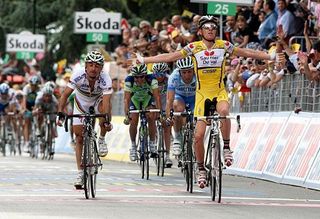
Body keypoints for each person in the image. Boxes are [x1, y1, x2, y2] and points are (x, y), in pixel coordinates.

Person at [135, 15, 274, 189]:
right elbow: (171, 56)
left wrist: (269, 56)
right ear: (200, 31)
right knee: (198, 136)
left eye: (213, 27)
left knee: (223, 112)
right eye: (207, 27)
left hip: (219, 91)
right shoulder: (194, 47)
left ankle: (226, 148)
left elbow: (246, 52)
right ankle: (201, 169)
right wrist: (145, 60)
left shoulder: (223, 45)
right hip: (201, 95)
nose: (211, 30)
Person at [56, 50, 113, 189]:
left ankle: (101, 139)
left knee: (104, 110)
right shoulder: (78, 74)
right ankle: (80, 172)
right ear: (86, 66)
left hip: (98, 100)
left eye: (97, 66)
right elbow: (64, 96)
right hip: (81, 103)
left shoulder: (106, 78)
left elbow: (106, 103)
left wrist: (106, 120)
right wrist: (60, 113)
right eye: (91, 65)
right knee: (79, 137)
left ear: (101, 68)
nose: (94, 68)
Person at [123, 64, 161, 162]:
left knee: (151, 117)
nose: (139, 80)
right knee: (133, 119)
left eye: (142, 77)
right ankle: (133, 146)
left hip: (147, 98)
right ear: (133, 76)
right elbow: (126, 99)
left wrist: (159, 112)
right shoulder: (129, 80)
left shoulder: (152, 79)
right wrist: (127, 115)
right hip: (134, 99)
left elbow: (157, 96)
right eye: (136, 77)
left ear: (146, 75)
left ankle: (152, 144)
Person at [166, 57, 196, 156]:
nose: (187, 75)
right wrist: (168, 117)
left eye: (189, 72)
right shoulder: (173, 77)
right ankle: (177, 137)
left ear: (193, 70)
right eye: (184, 72)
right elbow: (169, 100)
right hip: (180, 97)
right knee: (177, 108)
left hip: (194, 97)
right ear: (179, 72)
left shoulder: (198, 75)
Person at [151, 62, 172, 167]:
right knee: (152, 119)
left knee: (167, 128)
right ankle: (153, 142)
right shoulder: (150, 79)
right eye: (157, 74)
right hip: (153, 104)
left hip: (165, 105)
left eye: (162, 74)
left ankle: (167, 155)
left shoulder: (170, 79)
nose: (159, 77)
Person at [33, 85, 58, 154]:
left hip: (50, 109)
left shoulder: (54, 99)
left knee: (54, 117)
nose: (47, 97)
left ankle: (53, 130)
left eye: (49, 96)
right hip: (42, 108)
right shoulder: (39, 98)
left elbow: (58, 108)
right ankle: (39, 129)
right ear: (43, 95)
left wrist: (58, 113)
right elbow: (35, 108)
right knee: (39, 115)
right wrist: (35, 111)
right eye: (46, 96)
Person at [22, 75, 41, 152]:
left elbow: (40, 100)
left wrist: (37, 109)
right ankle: (26, 143)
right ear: (30, 84)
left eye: (35, 85)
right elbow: (24, 99)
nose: (33, 87)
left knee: (40, 116)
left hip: (36, 104)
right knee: (27, 123)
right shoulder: (26, 88)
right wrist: (24, 109)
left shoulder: (40, 89)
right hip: (28, 105)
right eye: (32, 85)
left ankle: (38, 129)